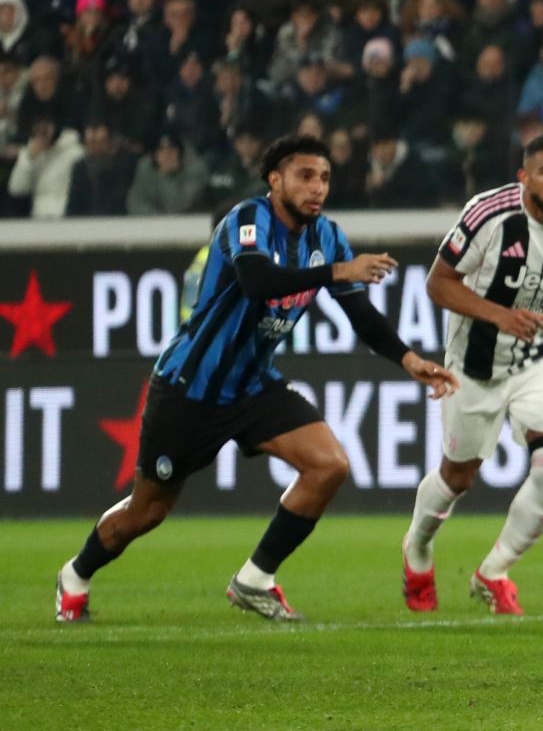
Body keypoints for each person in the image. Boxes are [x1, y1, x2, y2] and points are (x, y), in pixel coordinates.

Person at [55, 135, 455, 624]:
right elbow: (258, 281)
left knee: (328, 465)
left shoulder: (326, 236)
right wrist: (337, 271)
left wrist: (409, 359)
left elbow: (359, 313)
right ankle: (75, 575)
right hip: (192, 389)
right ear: (276, 180)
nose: (317, 188)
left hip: (254, 386)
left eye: (324, 178)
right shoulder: (248, 220)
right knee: (147, 512)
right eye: (305, 176)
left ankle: (255, 579)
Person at [400, 136, 543, 616]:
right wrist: (498, 315)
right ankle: (417, 547)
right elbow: (438, 282)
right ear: (524, 177)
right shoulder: (489, 215)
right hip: (476, 365)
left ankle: (493, 572)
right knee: (459, 476)